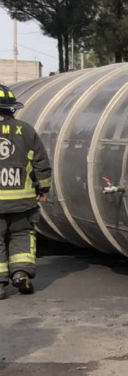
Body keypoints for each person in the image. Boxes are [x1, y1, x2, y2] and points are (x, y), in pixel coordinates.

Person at [0, 84, 50, 300]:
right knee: (22, 235)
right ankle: (21, 273)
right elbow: (41, 164)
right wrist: (43, 188)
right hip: (23, 201)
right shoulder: (26, 130)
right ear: (11, 108)